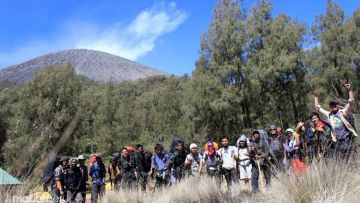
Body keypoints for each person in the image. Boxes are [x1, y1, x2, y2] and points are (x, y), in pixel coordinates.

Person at [314, 83, 357, 160]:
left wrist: (350, 90)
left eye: (334, 104)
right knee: (339, 159)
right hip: (337, 141)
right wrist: (316, 97)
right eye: (331, 105)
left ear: (337, 105)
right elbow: (317, 107)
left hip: (346, 139)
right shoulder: (329, 114)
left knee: (350, 158)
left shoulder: (343, 112)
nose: (333, 106)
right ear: (330, 106)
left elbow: (351, 102)